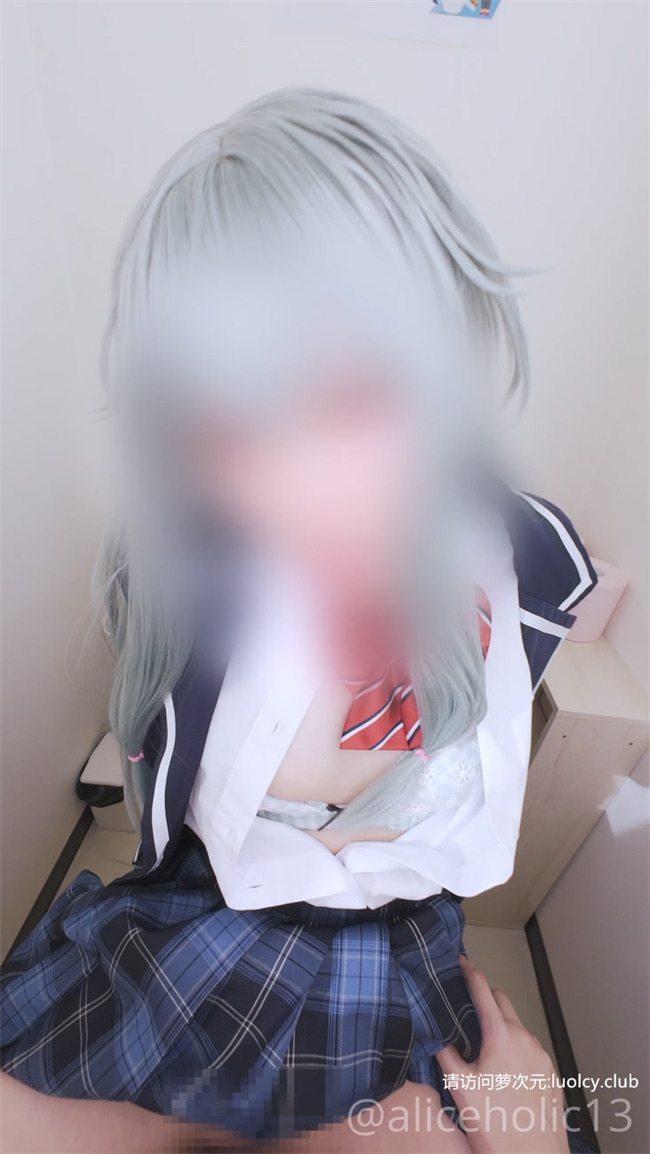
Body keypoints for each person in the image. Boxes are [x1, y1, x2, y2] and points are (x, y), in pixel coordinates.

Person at [0, 89, 597, 1151]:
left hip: (388, 955)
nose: (293, 487)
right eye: (226, 429)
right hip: (203, 919)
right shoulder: (185, 581)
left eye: (350, 397)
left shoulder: (523, 564)